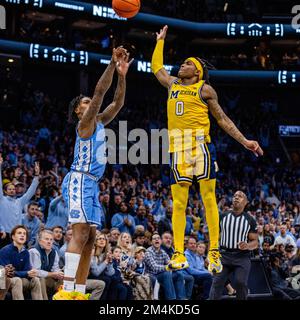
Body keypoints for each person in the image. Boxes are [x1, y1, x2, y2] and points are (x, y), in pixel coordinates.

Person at [151, 25, 263, 273]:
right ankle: (178, 253)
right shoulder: (172, 83)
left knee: (208, 199)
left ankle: (214, 252)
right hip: (178, 148)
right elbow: (156, 67)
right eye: (182, 63)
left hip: (200, 146)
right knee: (178, 203)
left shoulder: (205, 89)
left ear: (198, 71)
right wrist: (160, 42)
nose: (182, 65)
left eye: (188, 64)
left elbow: (222, 119)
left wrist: (245, 141)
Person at [53, 47, 133, 300]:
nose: (90, 104)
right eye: (85, 103)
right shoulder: (84, 123)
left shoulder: (98, 121)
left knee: (91, 238)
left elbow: (117, 102)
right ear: (79, 111)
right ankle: (66, 290)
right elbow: (100, 93)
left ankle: (78, 291)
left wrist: (121, 75)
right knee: (79, 234)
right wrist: (111, 63)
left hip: (92, 184)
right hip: (78, 179)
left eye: (89, 103)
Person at [209, 191, 258, 300]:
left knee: (240, 282)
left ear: (246, 202)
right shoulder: (223, 216)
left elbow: (255, 242)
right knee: (217, 282)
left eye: (240, 196)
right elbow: (214, 237)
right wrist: (210, 255)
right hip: (224, 255)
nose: (236, 198)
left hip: (242, 256)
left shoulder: (250, 220)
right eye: (235, 196)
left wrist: (247, 245)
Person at [0, 155, 40, 248]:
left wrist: (36, 176)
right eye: (9, 189)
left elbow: (30, 192)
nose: (12, 190)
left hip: (16, 235)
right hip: (3, 234)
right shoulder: (1, 199)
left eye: (13, 189)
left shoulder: (20, 202)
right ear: (5, 191)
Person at [0, 225, 43, 300]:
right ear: (13, 237)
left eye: (24, 234)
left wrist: (31, 273)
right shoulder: (5, 250)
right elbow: (8, 274)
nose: (22, 235)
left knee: (35, 279)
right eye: (19, 233)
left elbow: (26, 270)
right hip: (5, 281)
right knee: (17, 280)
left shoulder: (26, 252)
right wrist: (26, 273)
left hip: (20, 279)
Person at [29, 229, 64, 300]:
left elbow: (55, 268)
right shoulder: (34, 251)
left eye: (51, 240)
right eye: (46, 239)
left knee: (62, 279)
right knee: (41, 279)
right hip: (33, 279)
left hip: (47, 278)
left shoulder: (54, 252)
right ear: (40, 241)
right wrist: (53, 274)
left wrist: (59, 273)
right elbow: (36, 272)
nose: (49, 242)